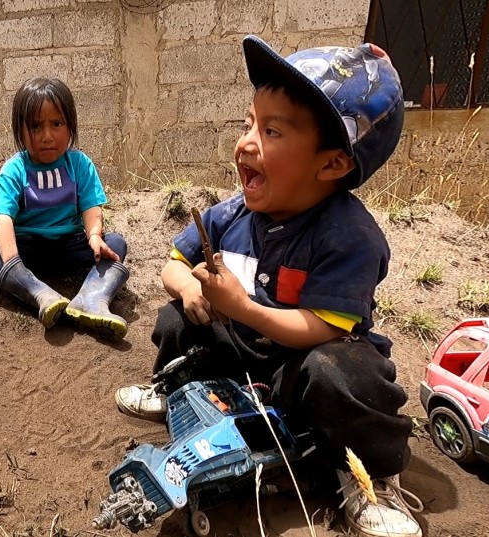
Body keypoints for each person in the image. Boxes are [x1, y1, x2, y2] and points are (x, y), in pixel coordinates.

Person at [114, 36, 424, 537]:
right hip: (244, 353)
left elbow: (320, 328)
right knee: (176, 315)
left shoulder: (348, 236)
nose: (246, 143)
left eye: (272, 131)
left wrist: (240, 306)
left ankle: (369, 477)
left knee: (343, 375)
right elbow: (174, 263)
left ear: (332, 164)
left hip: (303, 364)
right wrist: (190, 291)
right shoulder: (233, 212)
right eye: (248, 124)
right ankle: (175, 390)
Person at [0, 77, 130, 339]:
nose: (47, 136)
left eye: (56, 124)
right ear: (19, 131)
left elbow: (91, 207)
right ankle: (39, 293)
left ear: (70, 125)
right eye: (35, 126)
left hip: (70, 245)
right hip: (28, 249)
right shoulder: (14, 170)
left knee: (116, 243)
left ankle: (93, 299)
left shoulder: (80, 164)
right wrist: (13, 262)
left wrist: (93, 237)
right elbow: (3, 218)